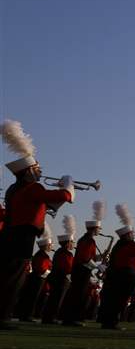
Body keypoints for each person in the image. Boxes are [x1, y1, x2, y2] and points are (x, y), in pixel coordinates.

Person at [0, 120, 74, 327]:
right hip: (21, 236)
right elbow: (65, 196)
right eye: (36, 168)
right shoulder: (33, 188)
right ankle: (3, 318)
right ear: (28, 172)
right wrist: (68, 184)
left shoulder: (15, 189)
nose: (40, 171)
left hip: (13, 234)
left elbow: (43, 205)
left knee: (9, 278)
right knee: (13, 280)